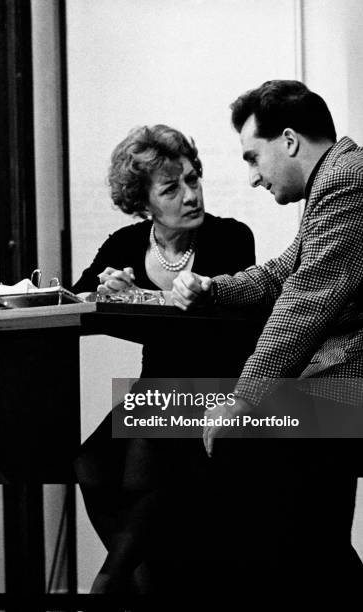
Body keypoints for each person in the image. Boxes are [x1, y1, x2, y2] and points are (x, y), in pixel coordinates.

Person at [172, 80, 363, 589]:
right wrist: (213, 288)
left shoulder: (347, 181)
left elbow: (304, 302)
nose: (253, 177)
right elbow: (283, 272)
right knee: (298, 521)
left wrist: (242, 399)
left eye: (253, 158)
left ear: (290, 140)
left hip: (354, 384)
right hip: (342, 382)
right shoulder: (335, 176)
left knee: (233, 445)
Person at [72, 124, 255, 594]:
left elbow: (207, 324)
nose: (191, 195)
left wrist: (139, 300)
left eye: (194, 180)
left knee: (141, 457)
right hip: (156, 390)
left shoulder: (230, 237)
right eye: (172, 188)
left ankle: (109, 583)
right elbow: (78, 295)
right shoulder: (126, 243)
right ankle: (145, 583)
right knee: (89, 463)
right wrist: (106, 289)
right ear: (143, 201)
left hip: (218, 390)